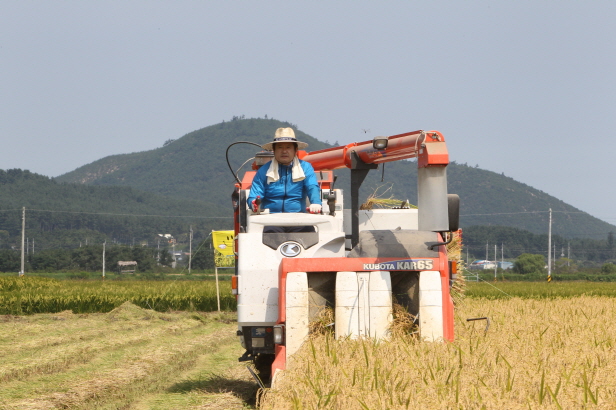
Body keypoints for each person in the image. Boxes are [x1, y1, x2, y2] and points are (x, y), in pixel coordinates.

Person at [247, 128, 322, 233]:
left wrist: (316, 203)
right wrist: (253, 203)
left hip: (299, 220)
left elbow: (312, 186)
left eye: (288, 147)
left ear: (295, 150)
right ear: (274, 150)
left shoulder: (305, 167)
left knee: (311, 235)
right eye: (280, 147)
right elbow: (255, 194)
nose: (284, 151)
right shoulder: (264, 171)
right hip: (271, 221)